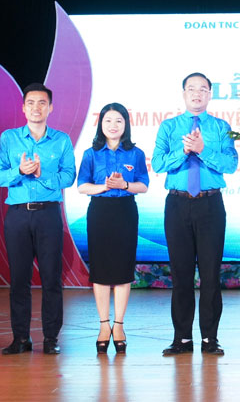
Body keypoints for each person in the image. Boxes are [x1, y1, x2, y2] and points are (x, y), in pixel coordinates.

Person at [152, 72, 238, 356]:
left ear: (210, 94)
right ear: (184, 94)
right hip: (177, 205)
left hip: (210, 205)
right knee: (181, 274)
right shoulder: (169, 127)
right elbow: (158, 163)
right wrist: (184, 149)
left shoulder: (221, 127)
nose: (197, 93)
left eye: (203, 89)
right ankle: (182, 339)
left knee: (211, 274)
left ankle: (210, 339)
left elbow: (230, 164)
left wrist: (202, 150)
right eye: (191, 89)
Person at [0, 83, 76, 355]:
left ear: (50, 107)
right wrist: (19, 171)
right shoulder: (9, 138)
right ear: (23, 108)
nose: (36, 108)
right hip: (17, 215)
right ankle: (21, 338)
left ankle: (51, 339)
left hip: (49, 214)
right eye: (31, 103)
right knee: (19, 280)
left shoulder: (61, 140)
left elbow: (69, 176)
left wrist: (43, 175)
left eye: (42, 103)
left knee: (51, 279)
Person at [77, 103, 149, 354]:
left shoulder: (135, 153)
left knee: (122, 269)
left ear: (126, 124)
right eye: (108, 120)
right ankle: (103, 325)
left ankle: (118, 325)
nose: (113, 125)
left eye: (118, 120)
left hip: (125, 212)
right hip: (100, 212)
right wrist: (105, 187)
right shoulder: (91, 153)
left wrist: (124, 185)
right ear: (101, 124)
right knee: (100, 270)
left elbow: (143, 185)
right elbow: (82, 186)